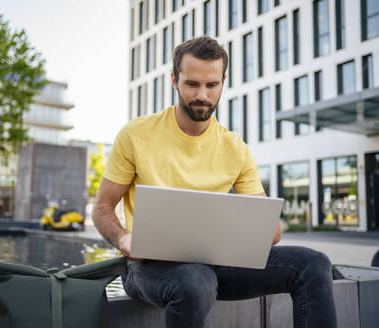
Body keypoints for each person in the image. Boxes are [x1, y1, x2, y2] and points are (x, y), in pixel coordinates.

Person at [92, 36, 337, 328]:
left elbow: (270, 232)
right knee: (196, 280)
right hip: (146, 268)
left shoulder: (235, 147)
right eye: (192, 84)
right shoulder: (136, 134)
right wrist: (124, 239)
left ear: (223, 82)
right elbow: (103, 207)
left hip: (217, 265)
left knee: (314, 264)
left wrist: (261, 228)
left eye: (212, 85)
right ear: (174, 80)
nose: (202, 96)